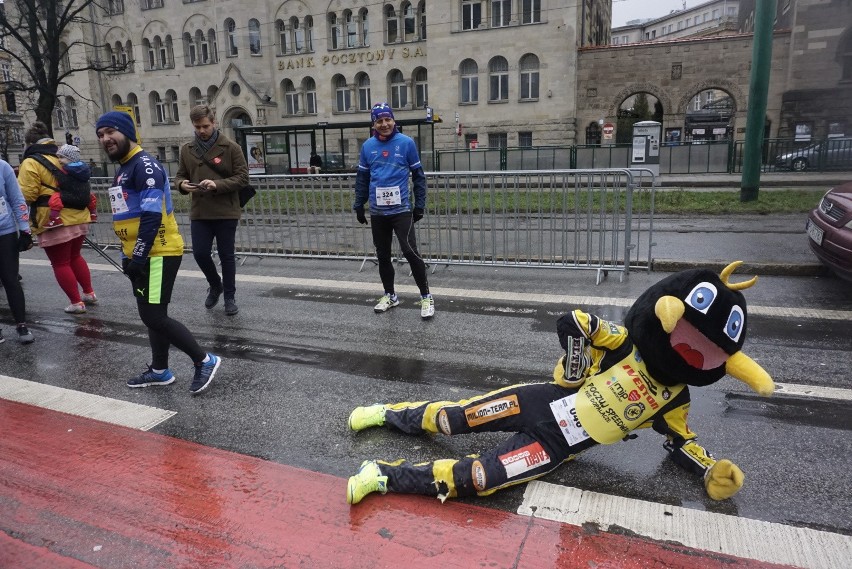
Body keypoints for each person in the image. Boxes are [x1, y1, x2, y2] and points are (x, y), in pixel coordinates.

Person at [345, 263, 775, 506]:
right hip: (539, 403)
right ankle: (387, 414)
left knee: (479, 477)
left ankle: (382, 476)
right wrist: (576, 369)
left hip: (555, 448)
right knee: (452, 419)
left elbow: (683, 441)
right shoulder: (626, 343)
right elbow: (575, 321)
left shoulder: (675, 398)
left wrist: (710, 470)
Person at [95, 110, 222, 395]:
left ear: (127, 133)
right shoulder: (124, 168)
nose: (105, 139)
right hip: (141, 254)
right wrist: (127, 256)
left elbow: (152, 217)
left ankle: (204, 360)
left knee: (153, 316)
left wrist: (138, 256)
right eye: (100, 135)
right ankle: (160, 370)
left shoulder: (144, 165)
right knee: (154, 313)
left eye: (110, 132)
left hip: (158, 252)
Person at [353, 102, 434, 319]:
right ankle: (390, 295)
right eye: (379, 120)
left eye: (387, 119)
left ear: (393, 120)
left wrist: (419, 205)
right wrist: (359, 204)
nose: (384, 124)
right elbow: (362, 179)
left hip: (401, 210)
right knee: (383, 255)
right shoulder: (367, 146)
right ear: (374, 123)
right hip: (378, 212)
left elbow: (419, 177)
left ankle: (426, 297)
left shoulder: (406, 143)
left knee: (410, 252)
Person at [174, 104, 249, 316]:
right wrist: (182, 185)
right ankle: (215, 284)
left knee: (227, 256)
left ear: (214, 123)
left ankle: (229, 297)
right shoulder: (187, 150)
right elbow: (179, 175)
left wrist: (217, 184)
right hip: (200, 211)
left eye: (205, 126)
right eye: (197, 127)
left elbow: (243, 178)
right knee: (199, 253)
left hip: (226, 210)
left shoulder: (231, 147)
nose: (201, 131)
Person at [18, 122, 97, 314]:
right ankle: (88, 293)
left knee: (60, 262)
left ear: (29, 142)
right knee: (75, 256)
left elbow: (27, 195)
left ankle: (76, 303)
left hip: (54, 219)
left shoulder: (31, 162)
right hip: (79, 214)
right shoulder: (61, 155)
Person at [0, 158, 35, 344]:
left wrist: (25, 230)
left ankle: (21, 325)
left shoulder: (2, 167)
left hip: (4, 232)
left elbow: (16, 198)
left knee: (10, 279)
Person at [44, 144, 98, 229]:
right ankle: (93, 213)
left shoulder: (65, 170)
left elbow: (60, 182)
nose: (59, 160)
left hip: (71, 195)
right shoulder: (85, 169)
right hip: (84, 197)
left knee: (55, 198)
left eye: (62, 157)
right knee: (91, 196)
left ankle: (54, 218)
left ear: (70, 158)